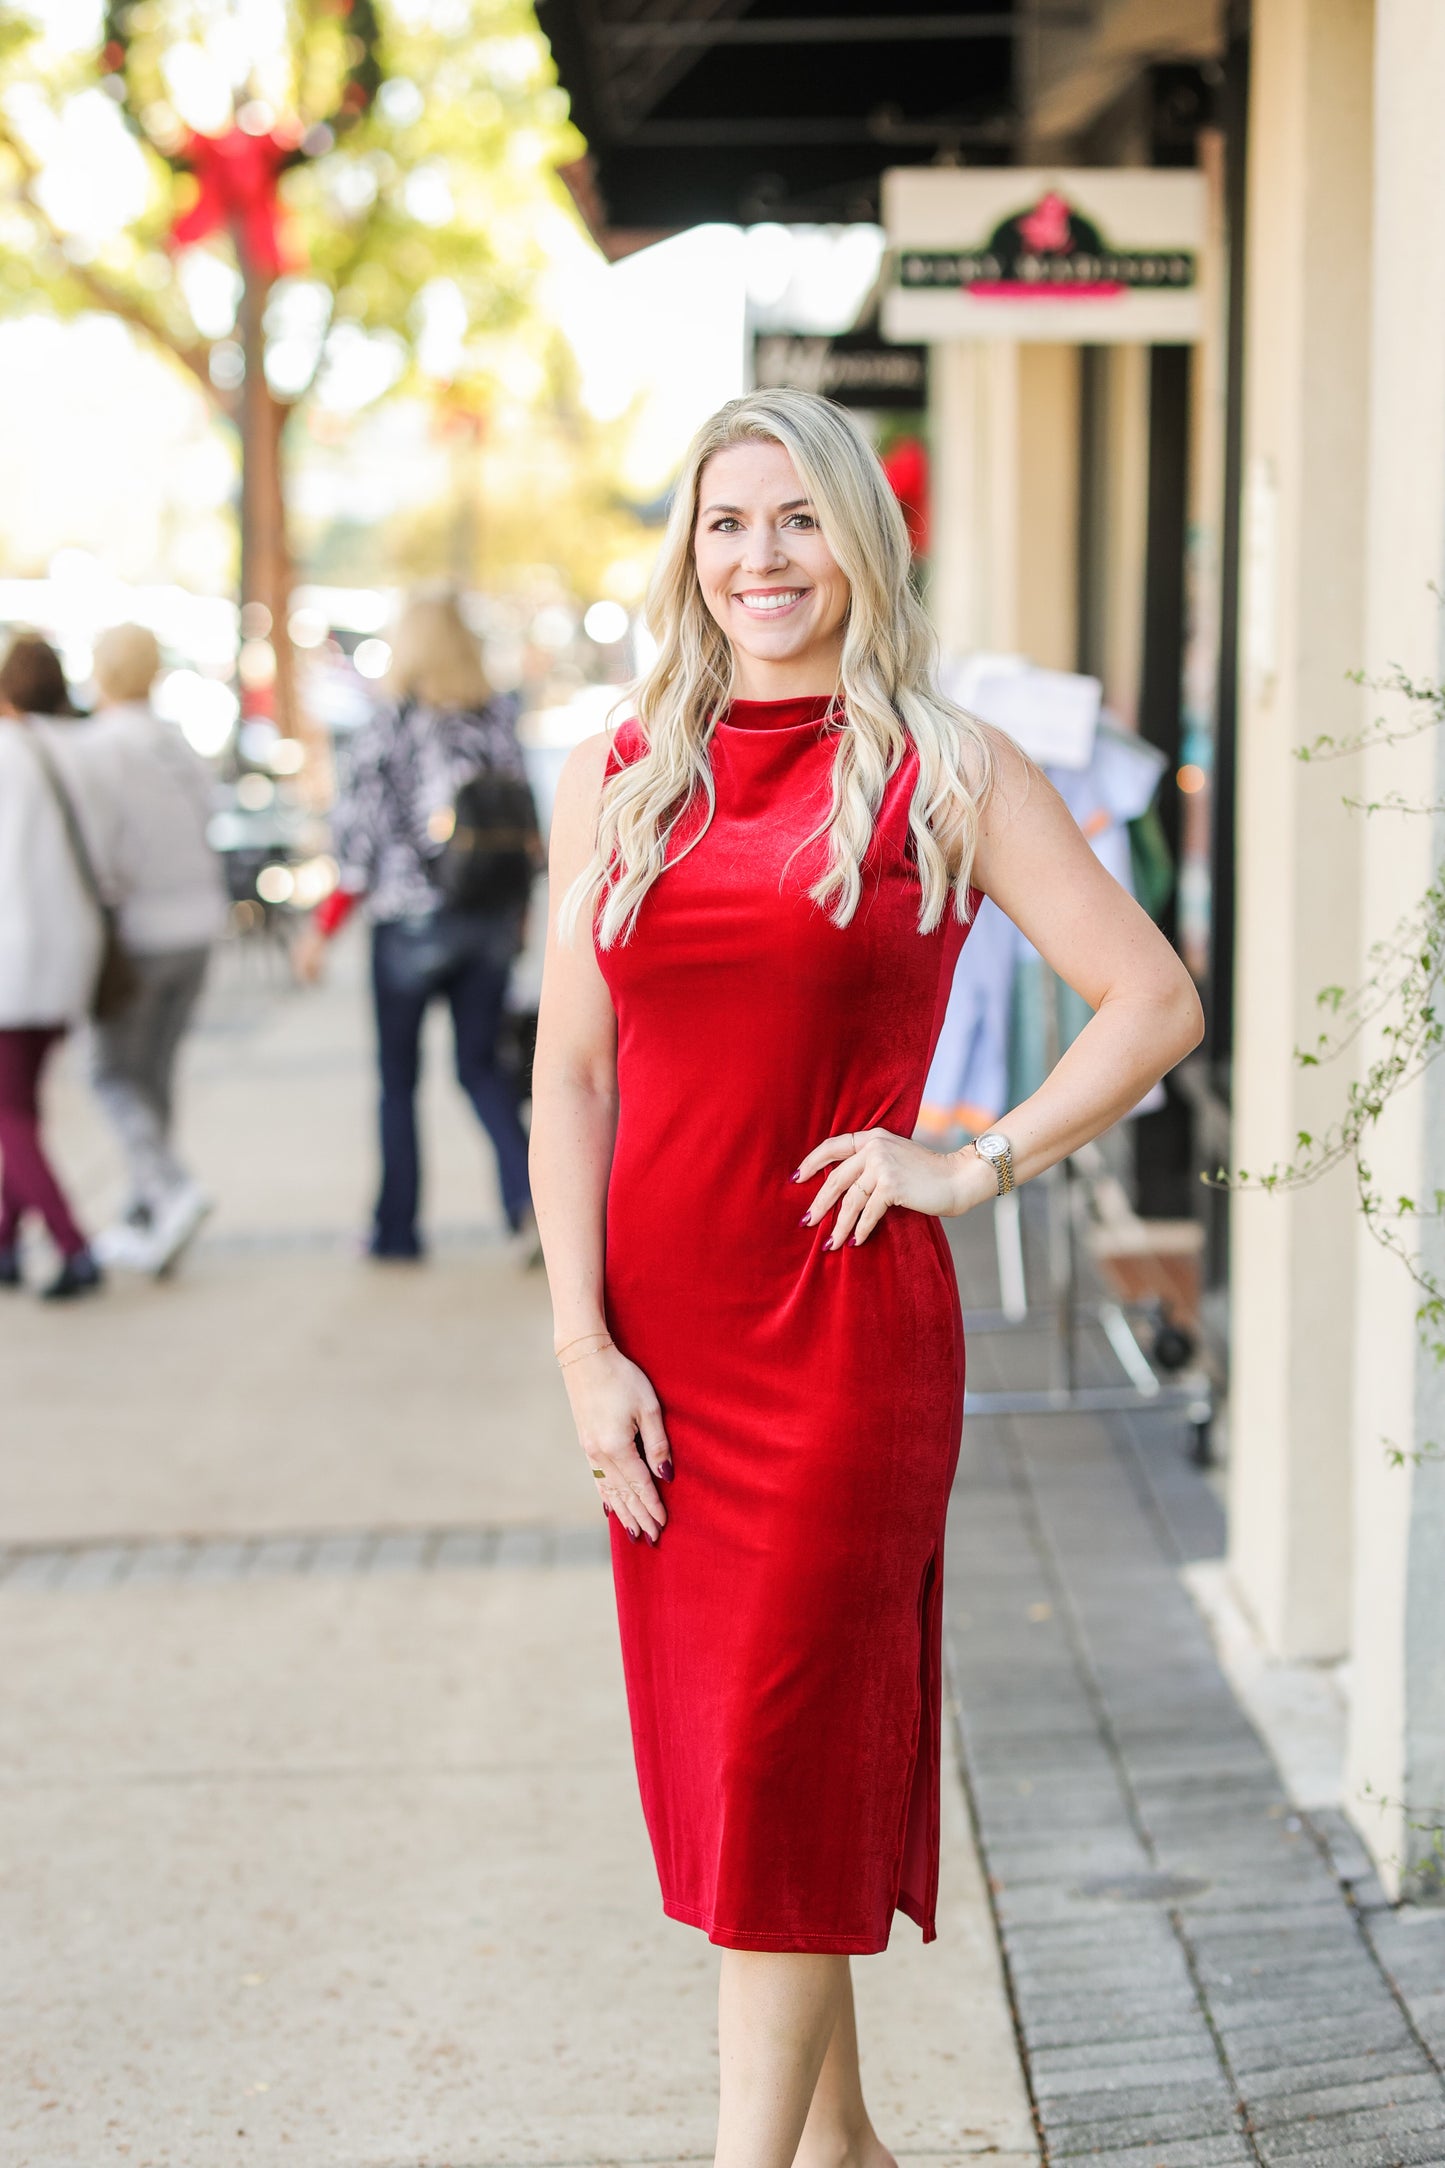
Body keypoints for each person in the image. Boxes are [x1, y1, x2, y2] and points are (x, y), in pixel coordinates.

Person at [528, 389, 1204, 2168]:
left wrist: (971, 1156)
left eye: (799, 519)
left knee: (773, 1758)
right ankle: (845, 2149)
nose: (762, 557)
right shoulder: (623, 771)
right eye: (728, 520)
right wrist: (584, 1349)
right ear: (688, 546)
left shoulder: (943, 765)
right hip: (665, 1343)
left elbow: (1153, 999)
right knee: (747, 1776)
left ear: (862, 542)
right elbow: (571, 1081)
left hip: (841, 1347)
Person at [294, 593, 540, 1262]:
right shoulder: (495, 718)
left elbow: (358, 840)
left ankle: (397, 1231)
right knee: (482, 1070)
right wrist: (519, 917)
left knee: (397, 1081)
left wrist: (323, 929)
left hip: (407, 924)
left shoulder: (389, 722)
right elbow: (526, 830)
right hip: (486, 920)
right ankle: (529, 1205)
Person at [80, 623, 228, 1276]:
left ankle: (168, 1188)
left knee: (112, 1075)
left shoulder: (101, 747)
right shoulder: (176, 743)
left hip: (140, 933)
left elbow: (99, 847)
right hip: (196, 926)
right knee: (155, 1075)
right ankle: (149, 1208)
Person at [0, 635, 105, 1299]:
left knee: (10, 1114)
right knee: (21, 1104)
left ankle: (73, 1243)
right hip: (70, 950)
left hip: (14, 956)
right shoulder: (82, 750)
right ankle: (5, 1241)